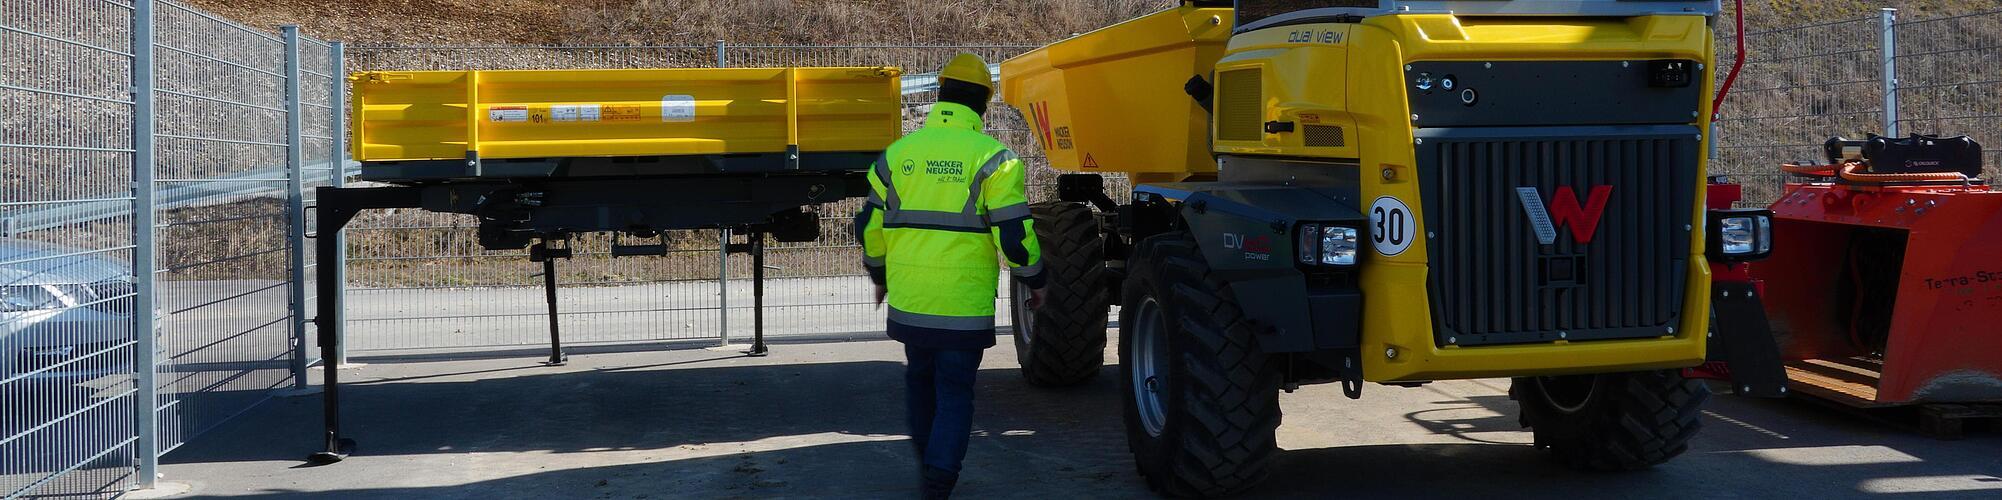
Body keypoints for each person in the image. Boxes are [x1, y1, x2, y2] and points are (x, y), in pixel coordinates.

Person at [854, 52, 1045, 499]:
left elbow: (870, 228)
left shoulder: (897, 156)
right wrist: (1035, 280)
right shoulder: (995, 160)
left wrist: (879, 276)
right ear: (984, 104)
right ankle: (940, 480)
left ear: (940, 93)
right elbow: (1015, 237)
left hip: (911, 302)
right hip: (961, 307)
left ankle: (930, 466)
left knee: (919, 380)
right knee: (956, 390)